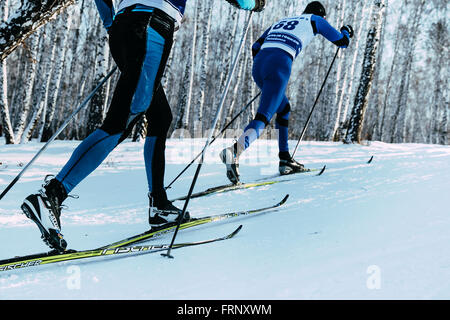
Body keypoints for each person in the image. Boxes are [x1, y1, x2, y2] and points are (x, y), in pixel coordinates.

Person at [20, 0, 265, 252]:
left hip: (130, 27)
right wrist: (251, 3)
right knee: (122, 119)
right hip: (151, 28)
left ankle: (159, 205)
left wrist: (111, 23)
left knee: (160, 116)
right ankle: (51, 195)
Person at [220, 1, 353, 184]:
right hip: (279, 63)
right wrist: (346, 30)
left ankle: (285, 159)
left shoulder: (284, 20)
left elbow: (255, 47)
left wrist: (266, 75)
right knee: (263, 117)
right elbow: (342, 42)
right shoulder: (316, 19)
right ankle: (235, 151)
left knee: (283, 108)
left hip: (259, 64)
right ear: (322, 16)